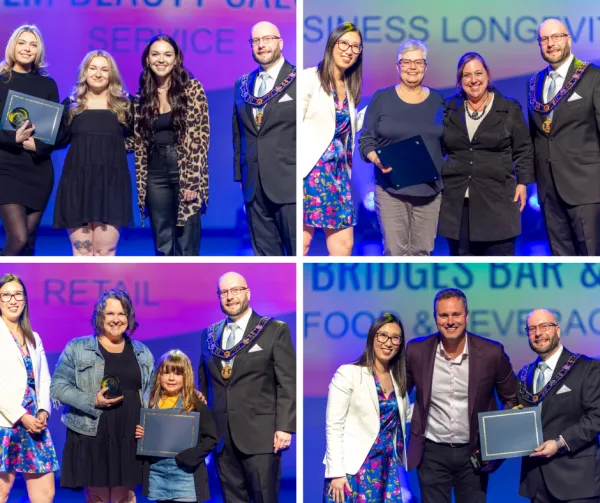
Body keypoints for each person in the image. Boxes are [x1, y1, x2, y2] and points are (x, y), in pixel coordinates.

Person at [406, 288, 518, 503]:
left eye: (456, 314)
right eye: (443, 315)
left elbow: (511, 398)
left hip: (473, 453)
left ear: (466, 316)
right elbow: (399, 393)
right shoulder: (416, 351)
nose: (450, 321)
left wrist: (496, 444)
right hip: (431, 453)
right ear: (435, 318)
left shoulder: (491, 352)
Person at [197, 271, 296, 502]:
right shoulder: (208, 336)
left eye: (236, 290)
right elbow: (204, 386)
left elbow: (287, 382)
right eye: (224, 292)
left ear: (248, 293)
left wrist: (284, 427)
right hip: (221, 438)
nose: (230, 297)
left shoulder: (274, 330)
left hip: (261, 436)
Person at [50, 289, 155, 503]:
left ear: (129, 317)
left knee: (125, 497)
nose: (116, 320)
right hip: (92, 433)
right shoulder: (77, 348)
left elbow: (153, 394)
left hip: (129, 435)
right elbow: (57, 387)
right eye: (110, 314)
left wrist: (190, 395)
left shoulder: (143, 352)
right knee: (97, 497)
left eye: (121, 314)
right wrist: (92, 401)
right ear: (100, 316)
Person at [440, 52, 535, 256]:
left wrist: (523, 182)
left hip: (498, 201)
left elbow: (524, 148)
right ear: (460, 80)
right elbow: (437, 146)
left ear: (488, 75)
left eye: (478, 73)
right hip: (457, 202)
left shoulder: (508, 109)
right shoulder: (448, 109)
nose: (473, 80)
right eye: (467, 75)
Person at [359, 39, 444, 256]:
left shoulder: (438, 101)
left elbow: (447, 143)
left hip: (429, 191)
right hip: (391, 190)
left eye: (418, 62)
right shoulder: (382, 98)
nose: (412, 67)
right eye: (406, 62)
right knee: (395, 253)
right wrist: (376, 158)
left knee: (423, 254)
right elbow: (366, 139)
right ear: (397, 67)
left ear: (426, 66)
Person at [528, 19, 600, 256]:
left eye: (556, 37)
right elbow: (536, 137)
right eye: (544, 39)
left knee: (591, 258)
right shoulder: (534, 82)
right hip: (549, 191)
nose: (551, 44)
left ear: (569, 39)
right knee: (561, 258)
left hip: (586, 189)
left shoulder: (592, 77)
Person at [323, 313, 411, 503]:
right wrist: (336, 472)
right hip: (353, 469)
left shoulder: (398, 380)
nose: (388, 343)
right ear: (373, 337)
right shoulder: (349, 373)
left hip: (387, 468)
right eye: (383, 335)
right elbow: (334, 425)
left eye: (395, 338)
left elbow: (404, 415)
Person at [133, 34, 209, 256]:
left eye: (167, 54)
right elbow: (137, 139)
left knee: (187, 243)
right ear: (147, 59)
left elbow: (200, 138)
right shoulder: (142, 95)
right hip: (154, 173)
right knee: (162, 241)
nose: (161, 59)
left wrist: (192, 181)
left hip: (183, 170)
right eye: (155, 54)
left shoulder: (192, 89)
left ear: (176, 59)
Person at [53, 50, 134, 256]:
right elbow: (56, 140)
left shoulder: (125, 105)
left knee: (105, 250)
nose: (98, 74)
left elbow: (140, 139)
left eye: (104, 69)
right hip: (77, 185)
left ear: (112, 74)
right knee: (83, 252)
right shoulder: (71, 105)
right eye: (93, 68)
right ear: (85, 72)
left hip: (112, 186)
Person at [517, 309, 600, 502]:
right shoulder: (524, 374)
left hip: (577, 484)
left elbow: (597, 418)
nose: (538, 333)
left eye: (544, 326)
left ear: (558, 330)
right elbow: (514, 418)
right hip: (537, 483)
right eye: (532, 329)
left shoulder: (586, 368)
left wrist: (560, 443)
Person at [233, 22, 296, 256]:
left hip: (289, 184)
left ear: (280, 42)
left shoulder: (300, 80)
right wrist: (241, 175)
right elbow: (238, 134)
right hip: (253, 187)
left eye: (267, 39)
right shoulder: (241, 85)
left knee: (296, 253)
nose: (262, 45)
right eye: (256, 41)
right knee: (266, 256)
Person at [302, 22, 363, 257]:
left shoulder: (349, 86)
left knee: (344, 245)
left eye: (355, 47)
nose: (349, 50)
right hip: (310, 172)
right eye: (344, 43)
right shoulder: (310, 78)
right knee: (303, 244)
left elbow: (341, 127)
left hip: (337, 175)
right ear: (332, 45)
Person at [0, 25, 59, 256]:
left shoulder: (48, 84)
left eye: (33, 44)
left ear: (39, 50)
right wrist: (12, 138)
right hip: (6, 168)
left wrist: (40, 145)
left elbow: (55, 131)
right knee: (19, 238)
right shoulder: (1, 81)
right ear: (13, 46)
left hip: (38, 171)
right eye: (22, 43)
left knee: (29, 242)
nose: (27, 48)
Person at [0, 273, 59, 503]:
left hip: (35, 425)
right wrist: (21, 416)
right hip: (6, 423)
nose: (12, 300)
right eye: (6, 295)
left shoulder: (34, 337)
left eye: (17, 295)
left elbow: (43, 379)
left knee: (46, 495)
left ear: (25, 300)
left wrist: (43, 411)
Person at [135, 349, 217, 503]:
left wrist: (191, 456)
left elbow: (211, 438)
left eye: (178, 373)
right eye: (166, 373)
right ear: (159, 375)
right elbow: (143, 435)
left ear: (186, 377)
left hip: (186, 476)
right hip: (157, 474)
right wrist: (140, 434)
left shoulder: (194, 402)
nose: (171, 378)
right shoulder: (149, 402)